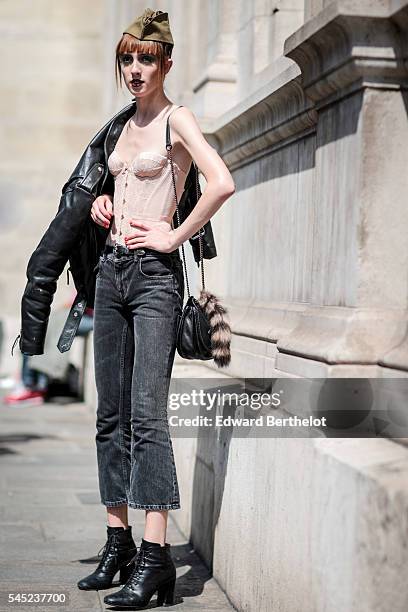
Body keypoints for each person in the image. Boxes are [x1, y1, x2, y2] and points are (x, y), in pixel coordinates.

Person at [67, 8, 235, 608]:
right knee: (109, 414)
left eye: (146, 59)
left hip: (155, 280)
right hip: (110, 273)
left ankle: (156, 557)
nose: (136, 70)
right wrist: (103, 206)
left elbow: (220, 181)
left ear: (166, 62)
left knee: (147, 416)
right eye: (128, 59)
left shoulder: (176, 119)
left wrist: (174, 234)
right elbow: (117, 184)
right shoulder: (120, 126)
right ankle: (119, 540)